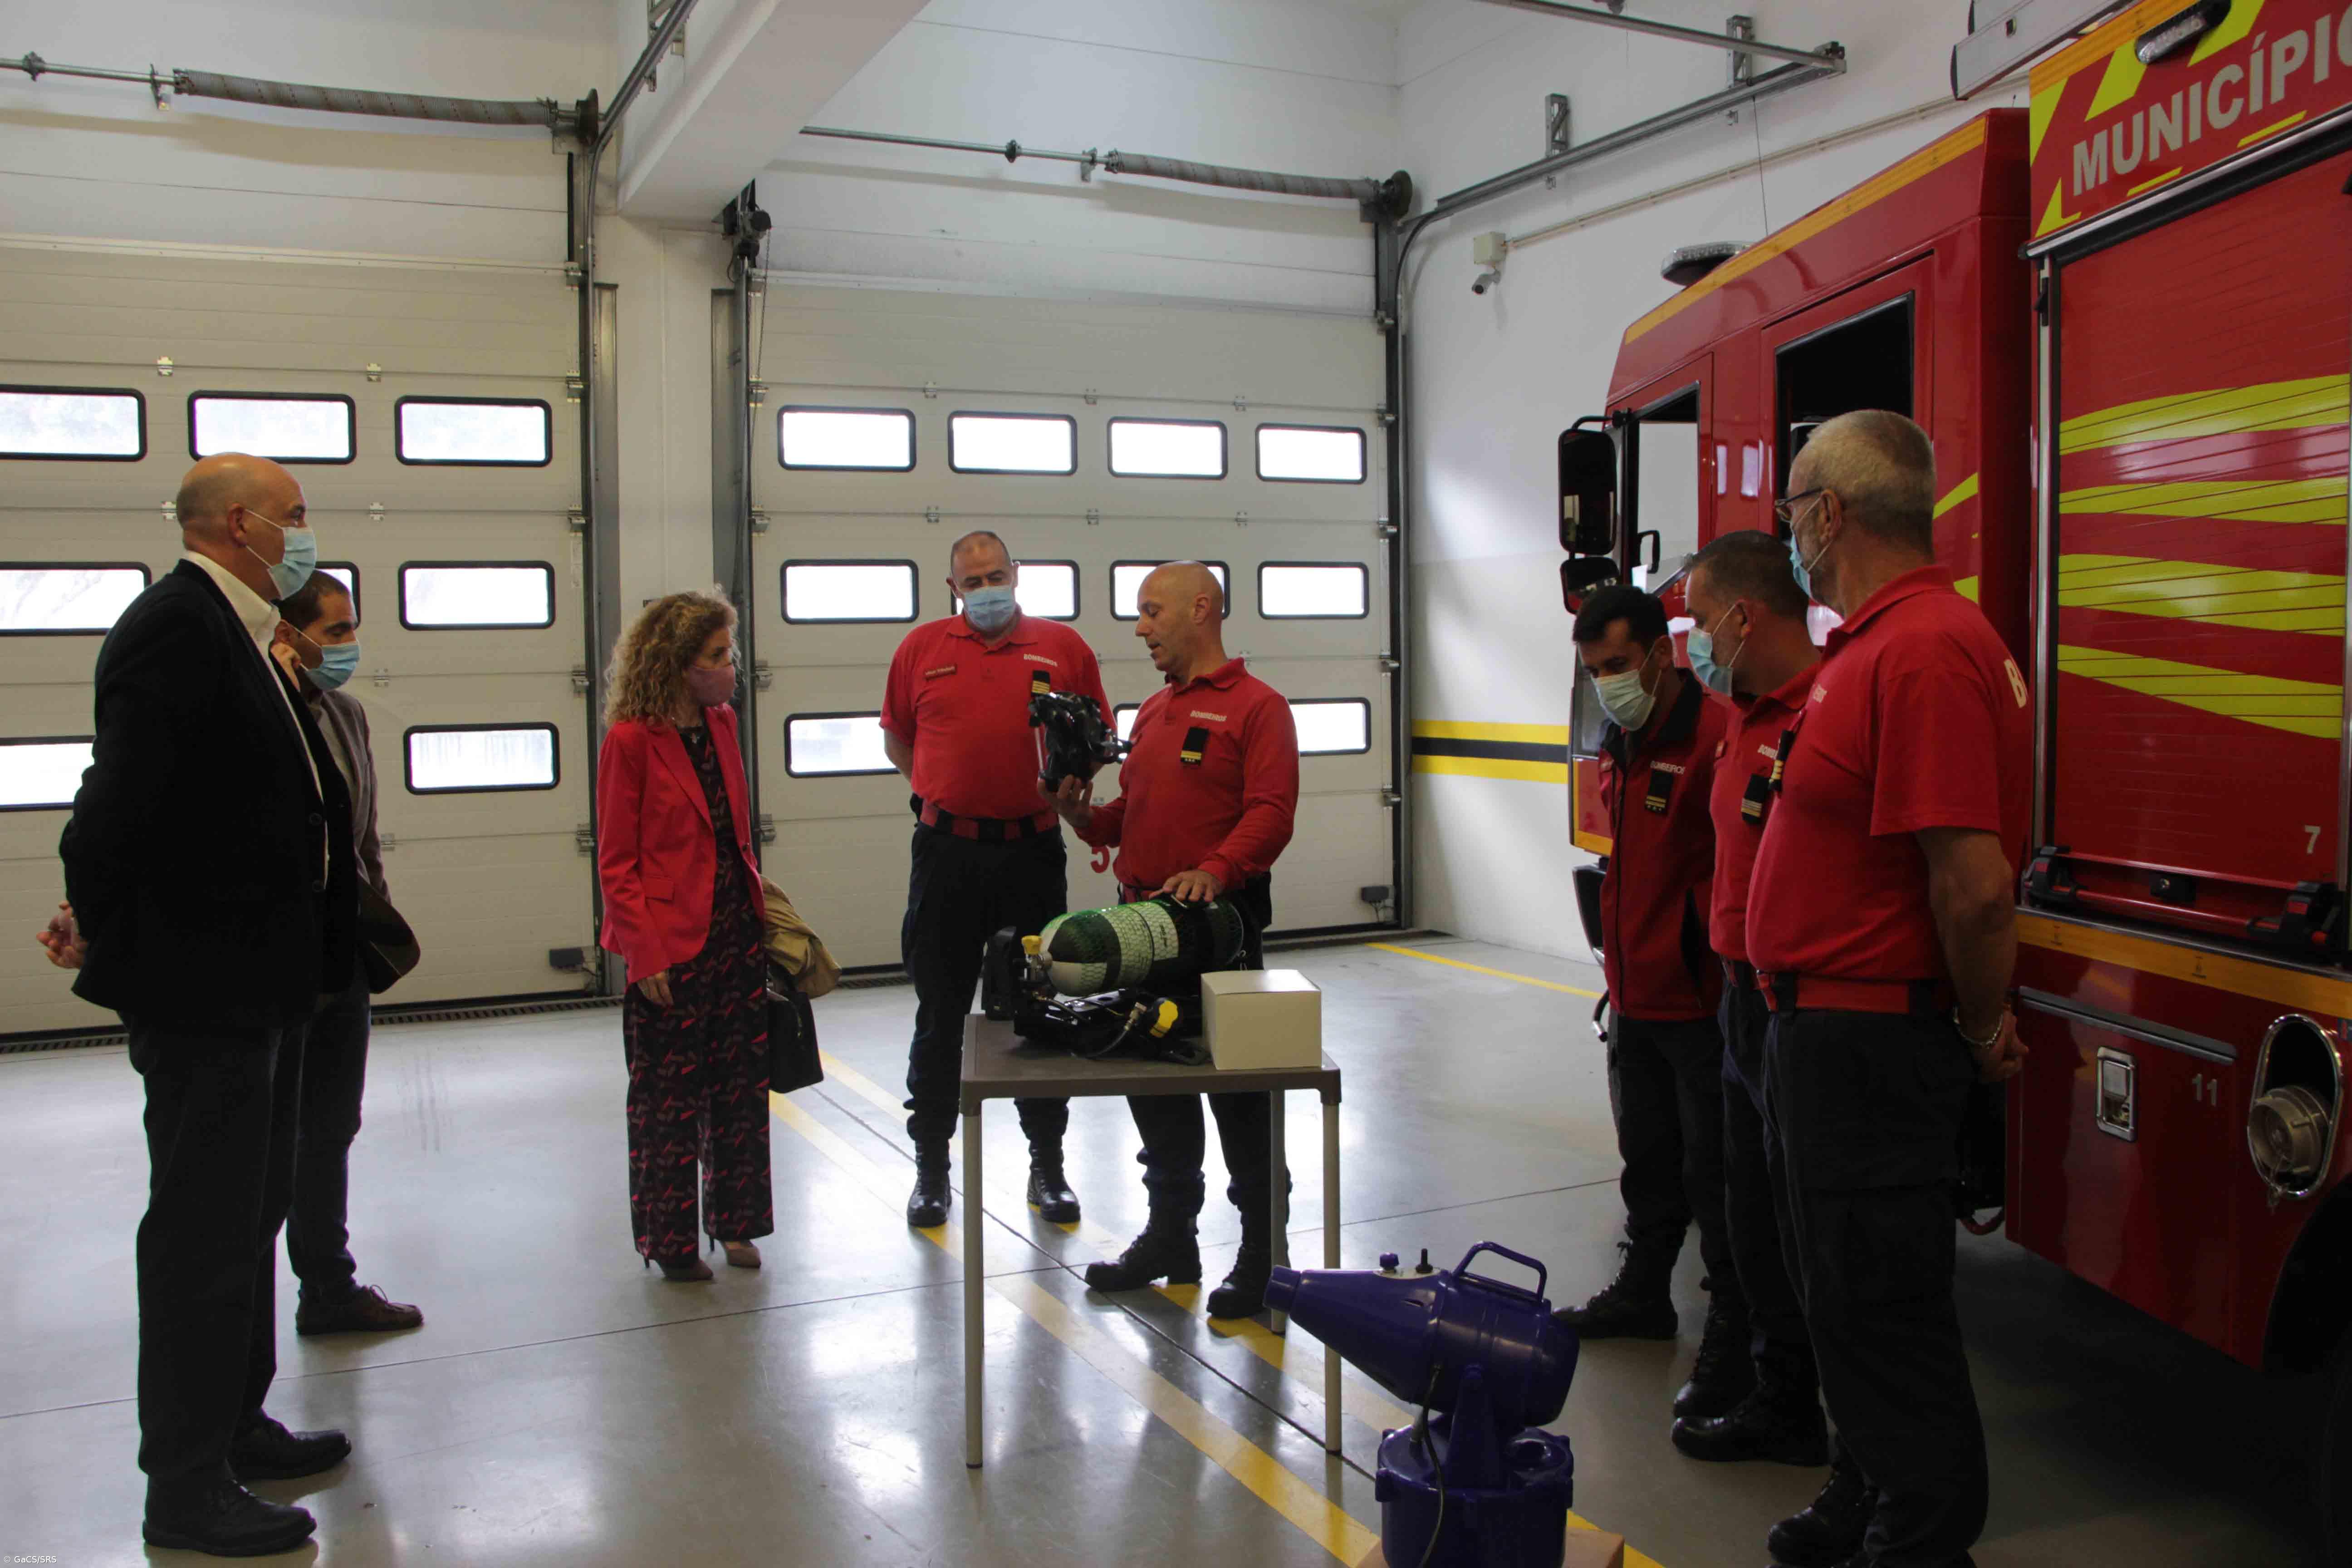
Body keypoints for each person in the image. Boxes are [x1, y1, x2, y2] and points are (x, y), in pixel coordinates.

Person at [58, 452, 358, 1557]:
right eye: (296, 516)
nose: (307, 531)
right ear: (242, 524)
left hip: (266, 984)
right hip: (206, 992)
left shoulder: (244, 633)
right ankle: (183, 1483)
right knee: (201, 1237)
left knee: (251, 1216)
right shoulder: (175, 628)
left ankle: (239, 1425)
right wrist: (97, 919)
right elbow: (115, 808)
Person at [1748, 410, 2030, 1568]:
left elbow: (1973, 886)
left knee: (1884, 1313)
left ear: (1833, 511)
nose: (1789, 528)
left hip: (1868, 1045)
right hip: (1822, 1036)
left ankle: (1919, 1542)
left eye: (1794, 504)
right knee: (1842, 1304)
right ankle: (1864, 1494)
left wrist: (1977, 1027)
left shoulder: (1919, 649)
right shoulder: (1871, 648)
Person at [1046, 562, 1300, 1318]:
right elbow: (1132, 813)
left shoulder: (1260, 709)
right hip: (1141, 931)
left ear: (1202, 609)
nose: (1141, 627)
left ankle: (1263, 1258)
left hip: (1220, 932)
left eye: (1152, 611)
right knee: (1155, 1086)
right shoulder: (1154, 712)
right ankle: (1172, 1239)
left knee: (1241, 1097)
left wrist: (1216, 871)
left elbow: (1272, 812)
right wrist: (1083, 817)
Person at [1558, 583, 1751, 1426]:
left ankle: (1735, 1340)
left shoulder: (1716, 739)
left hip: (1701, 1004)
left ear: (1663, 654)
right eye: (1595, 670)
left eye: (1619, 665)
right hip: (1634, 994)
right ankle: (1646, 1294)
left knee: (1719, 1177)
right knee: (1648, 1160)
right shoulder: (1619, 738)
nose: (1608, 682)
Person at [880, 531, 1109, 1229]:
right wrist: (943, 790)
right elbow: (899, 737)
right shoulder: (921, 650)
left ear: (1018, 574)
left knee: (1042, 1005)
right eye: (971, 580)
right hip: (947, 854)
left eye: (995, 575)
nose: (986, 590)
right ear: (952, 587)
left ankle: (1048, 1166)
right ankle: (930, 1170)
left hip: (1031, 852)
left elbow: (1095, 739)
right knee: (939, 1009)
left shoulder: (1063, 648)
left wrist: (1067, 784)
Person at [1673, 531, 1831, 1490]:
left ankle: (1816, 1413)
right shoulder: (1742, 717)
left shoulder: (1822, 714)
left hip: (1792, 1003)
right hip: (1738, 993)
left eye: (1697, 618)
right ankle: (1775, 1389)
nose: (1691, 639)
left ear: (1743, 615)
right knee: (1746, 1212)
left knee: (1801, 1218)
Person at [595, 591, 773, 1283]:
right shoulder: (631, 741)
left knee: (739, 1090)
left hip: (734, 927)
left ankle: (736, 1223)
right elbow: (616, 859)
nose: (730, 668)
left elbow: (733, 829)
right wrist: (643, 952)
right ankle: (669, 1240)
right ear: (677, 664)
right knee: (667, 1100)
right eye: (717, 656)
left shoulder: (722, 723)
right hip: (668, 943)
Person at [265, 571, 425, 1336]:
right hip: (278, 962)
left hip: (343, 958)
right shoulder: (261, 715)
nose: (349, 646)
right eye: (334, 633)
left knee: (331, 1126)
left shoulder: (350, 716)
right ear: (286, 638)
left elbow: (362, 841)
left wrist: (375, 928)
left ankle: (326, 1286)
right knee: (275, 1137)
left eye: (351, 628)